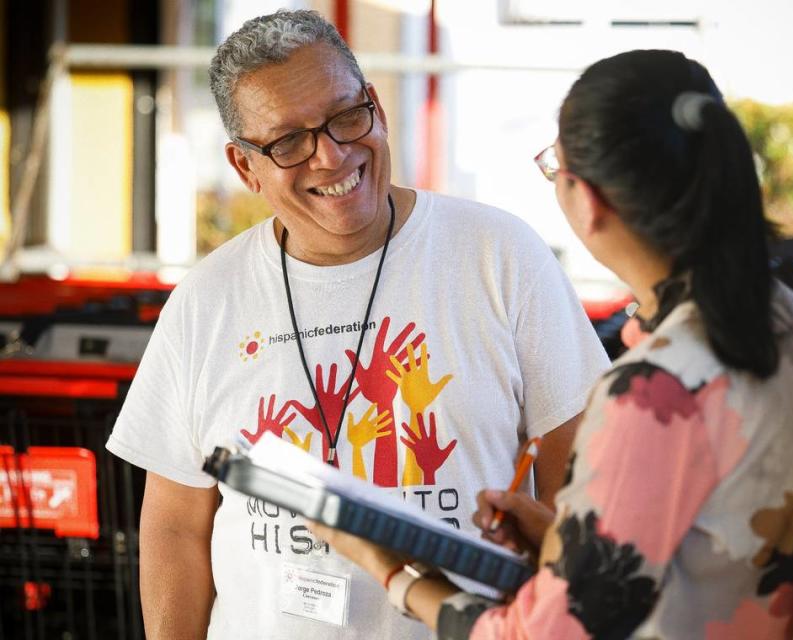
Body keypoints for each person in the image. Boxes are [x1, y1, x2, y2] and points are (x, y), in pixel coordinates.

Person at [308, 49, 793, 639]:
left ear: (588, 199)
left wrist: (393, 572)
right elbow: (727, 548)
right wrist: (567, 546)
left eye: (555, 169)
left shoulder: (655, 389)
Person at [105, 9, 609, 640]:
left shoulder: (500, 255)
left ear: (376, 105)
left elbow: (584, 478)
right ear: (244, 167)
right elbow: (177, 525)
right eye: (287, 142)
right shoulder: (205, 300)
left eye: (346, 116)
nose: (331, 155)